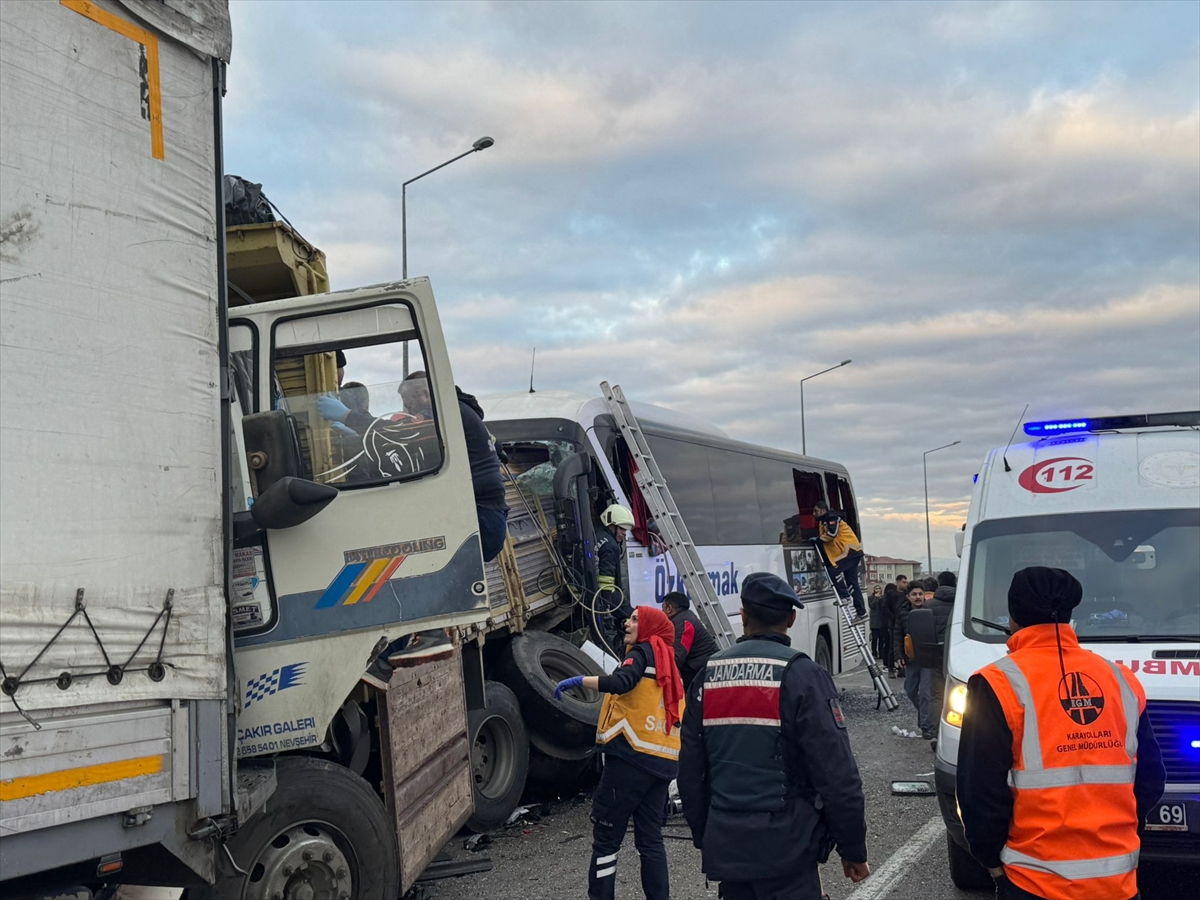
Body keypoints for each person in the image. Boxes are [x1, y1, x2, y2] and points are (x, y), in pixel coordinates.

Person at [957, 567, 1165, 900]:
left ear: (1013, 616)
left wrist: (991, 861)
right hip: (1117, 884)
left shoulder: (996, 683)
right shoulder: (1120, 679)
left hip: (1033, 882)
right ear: (1068, 616)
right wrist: (1120, 836)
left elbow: (979, 789)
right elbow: (1151, 778)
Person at [678, 573, 870, 900]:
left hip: (728, 847)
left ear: (743, 615)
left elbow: (690, 771)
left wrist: (706, 835)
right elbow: (837, 774)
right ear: (792, 618)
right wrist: (852, 847)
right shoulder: (803, 675)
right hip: (789, 851)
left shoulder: (708, 675)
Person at [553, 606, 684, 900]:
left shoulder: (639, 654)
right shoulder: (668, 661)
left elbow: (622, 683)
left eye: (636, 619)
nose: (627, 622)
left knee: (606, 840)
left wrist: (580, 681)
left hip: (630, 757)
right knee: (650, 841)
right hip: (661, 762)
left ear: (649, 626)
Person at [813, 500, 866, 618]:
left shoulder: (831, 518)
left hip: (849, 552)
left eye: (816, 511)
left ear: (823, 510)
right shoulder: (822, 522)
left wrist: (818, 540)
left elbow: (832, 534)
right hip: (851, 553)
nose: (814, 514)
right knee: (852, 583)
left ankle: (845, 596)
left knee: (833, 571)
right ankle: (861, 612)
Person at [594, 504, 635, 654]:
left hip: (591, 595)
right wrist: (607, 609)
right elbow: (606, 580)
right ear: (612, 526)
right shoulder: (611, 546)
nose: (624, 534)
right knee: (633, 616)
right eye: (622, 529)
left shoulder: (596, 536)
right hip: (605, 598)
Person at [896, 581, 935, 739]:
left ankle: (926, 726)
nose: (918, 597)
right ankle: (924, 713)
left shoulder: (930, 610)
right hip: (910, 659)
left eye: (920, 594)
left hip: (928, 658)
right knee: (911, 691)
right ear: (908, 596)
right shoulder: (903, 612)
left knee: (926, 693)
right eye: (914, 594)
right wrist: (898, 655)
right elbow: (897, 634)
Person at [661, 591, 718, 692]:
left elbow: (677, 656)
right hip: (701, 668)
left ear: (669, 609)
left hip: (701, 671)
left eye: (663, 608)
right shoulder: (685, 617)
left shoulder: (684, 623)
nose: (661, 611)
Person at [925, 571, 957, 739]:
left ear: (939, 584)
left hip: (937, 654)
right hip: (960, 652)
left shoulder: (929, 605)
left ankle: (937, 734)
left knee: (937, 696)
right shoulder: (963, 604)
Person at [867, 583, 886, 665]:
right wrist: (876, 598)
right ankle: (874, 653)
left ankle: (881, 653)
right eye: (876, 588)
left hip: (881, 621)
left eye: (879, 588)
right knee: (875, 638)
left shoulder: (883, 598)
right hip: (874, 622)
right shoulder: (870, 598)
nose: (878, 590)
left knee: (881, 639)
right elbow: (872, 605)